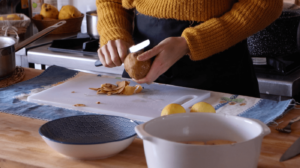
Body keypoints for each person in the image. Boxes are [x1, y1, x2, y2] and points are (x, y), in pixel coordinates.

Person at [96, 0, 283, 98]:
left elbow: (265, 4)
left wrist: (191, 42)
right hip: (142, 81)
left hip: (218, 76)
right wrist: (114, 31)